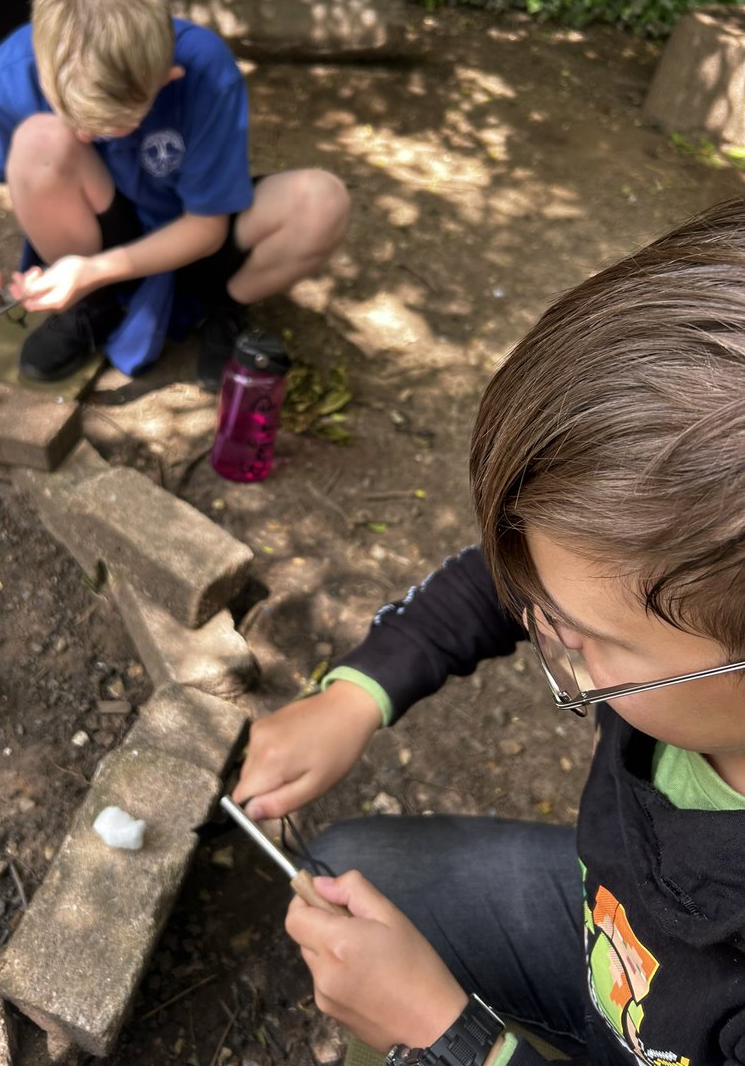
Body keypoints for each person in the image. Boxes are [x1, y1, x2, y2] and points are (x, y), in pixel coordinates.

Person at [233, 195, 745, 1066]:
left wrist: (450, 1037)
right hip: (610, 930)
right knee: (354, 871)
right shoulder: (671, 607)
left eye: (586, 638)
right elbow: (511, 581)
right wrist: (360, 695)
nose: (552, 634)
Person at [0, 0, 350, 389]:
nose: (85, 138)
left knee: (323, 202)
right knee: (40, 142)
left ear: (167, 76)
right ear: (42, 76)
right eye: (76, 118)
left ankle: (223, 306)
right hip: (102, 233)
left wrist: (94, 268)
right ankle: (94, 307)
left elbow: (206, 227)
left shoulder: (205, 69)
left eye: (111, 125)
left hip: (192, 238)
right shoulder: (18, 66)